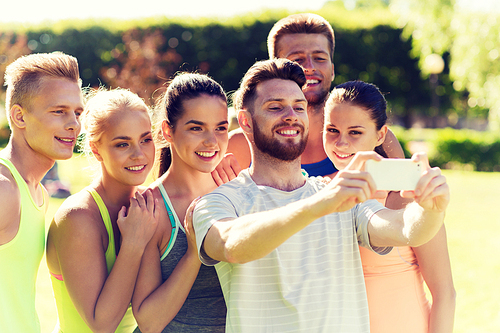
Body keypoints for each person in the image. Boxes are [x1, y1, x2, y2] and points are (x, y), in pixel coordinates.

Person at [192, 58, 450, 332]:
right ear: (245, 121)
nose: (291, 115)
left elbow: (404, 229)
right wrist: (318, 205)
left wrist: (430, 209)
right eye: (275, 107)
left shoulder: (338, 196)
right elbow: (231, 245)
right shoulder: (217, 201)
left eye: (299, 107)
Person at [323, 80, 455, 333]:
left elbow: (445, 294)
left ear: (380, 135)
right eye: (332, 130)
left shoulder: (410, 194)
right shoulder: (315, 192)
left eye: (355, 132)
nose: (341, 143)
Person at [225, 13, 405, 178]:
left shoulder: (374, 136)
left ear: (332, 70)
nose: (310, 67)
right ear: (276, 71)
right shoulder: (240, 146)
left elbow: (403, 206)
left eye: (319, 58)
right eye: (297, 60)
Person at [45, 88, 158, 333]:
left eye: (146, 139)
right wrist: (134, 243)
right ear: (96, 150)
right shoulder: (78, 217)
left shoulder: (148, 204)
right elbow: (102, 324)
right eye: (122, 144)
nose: (139, 154)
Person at [132, 73, 228, 332]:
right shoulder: (149, 207)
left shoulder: (236, 194)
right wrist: (195, 252)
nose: (211, 141)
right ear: (167, 131)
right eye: (196, 128)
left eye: (220, 127)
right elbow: (149, 321)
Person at [0, 52, 83, 333]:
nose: (74, 124)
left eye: (78, 112)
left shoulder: (36, 191)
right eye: (59, 111)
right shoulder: (4, 188)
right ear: (19, 116)